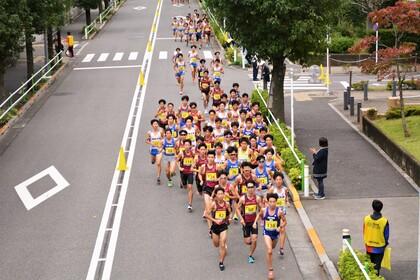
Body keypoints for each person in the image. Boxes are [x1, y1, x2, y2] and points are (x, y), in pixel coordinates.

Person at [254, 192, 287, 280]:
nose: (272, 203)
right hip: (267, 233)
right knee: (269, 251)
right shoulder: (264, 210)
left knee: (272, 247)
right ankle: (270, 270)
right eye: (270, 202)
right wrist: (254, 223)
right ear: (268, 202)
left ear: (276, 202)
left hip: (275, 234)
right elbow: (259, 215)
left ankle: (271, 254)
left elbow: (285, 221)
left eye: (274, 202)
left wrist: (280, 227)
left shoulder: (279, 211)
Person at [205, 187, 231, 271]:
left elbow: (229, 213)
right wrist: (215, 220)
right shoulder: (213, 204)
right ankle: (222, 246)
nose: (220, 195)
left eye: (222, 194)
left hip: (223, 226)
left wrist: (228, 219)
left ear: (224, 195)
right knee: (216, 244)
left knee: (222, 243)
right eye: (219, 194)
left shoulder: (226, 204)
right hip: (215, 227)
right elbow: (206, 215)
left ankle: (221, 262)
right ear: (216, 195)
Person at [236, 181, 261, 264]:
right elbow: (237, 209)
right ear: (246, 188)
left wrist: (257, 219)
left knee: (254, 239)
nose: (250, 189)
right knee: (247, 241)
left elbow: (260, 209)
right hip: (245, 222)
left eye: (252, 187)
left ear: (254, 188)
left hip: (254, 222)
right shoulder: (243, 199)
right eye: (249, 187)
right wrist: (241, 219)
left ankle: (250, 255)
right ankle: (251, 242)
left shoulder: (257, 198)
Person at [363, 200, 389, 276]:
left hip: (369, 246)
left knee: (368, 265)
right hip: (379, 247)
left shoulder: (366, 218)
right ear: (381, 208)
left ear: (372, 207)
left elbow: (364, 231)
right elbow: (386, 235)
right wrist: (385, 243)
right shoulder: (384, 221)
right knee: (376, 267)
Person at [177, 139, 195, 212]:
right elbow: (177, 160)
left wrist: (193, 166)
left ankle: (190, 204)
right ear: (184, 146)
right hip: (183, 172)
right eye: (185, 145)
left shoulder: (193, 153)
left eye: (188, 145)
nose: (187, 146)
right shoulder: (182, 153)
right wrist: (179, 167)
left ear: (190, 146)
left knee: (190, 187)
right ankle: (182, 183)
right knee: (185, 186)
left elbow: (195, 161)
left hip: (190, 172)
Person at [146, 119, 164, 184]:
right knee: (153, 161)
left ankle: (158, 177)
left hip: (159, 149)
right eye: (154, 124)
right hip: (153, 149)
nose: (156, 125)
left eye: (157, 124)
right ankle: (153, 159)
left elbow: (163, 138)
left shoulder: (161, 132)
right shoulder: (149, 133)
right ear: (152, 125)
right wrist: (151, 143)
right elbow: (147, 140)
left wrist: (161, 145)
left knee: (158, 163)